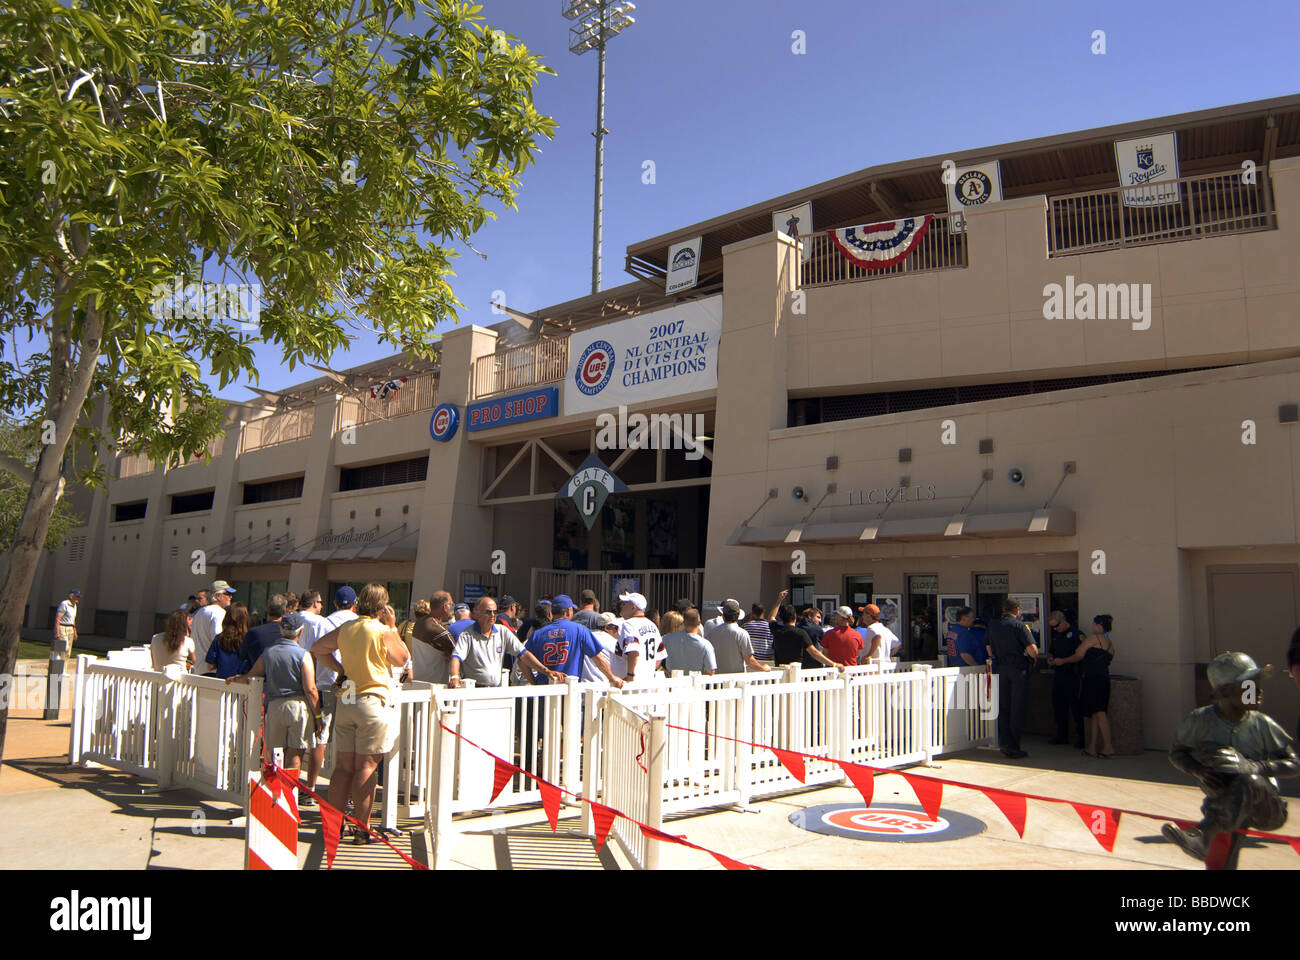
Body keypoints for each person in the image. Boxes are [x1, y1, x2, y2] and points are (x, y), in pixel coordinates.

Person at [1162, 651, 1300, 869]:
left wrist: (1254, 767)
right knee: (1222, 863)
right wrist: (1199, 770)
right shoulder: (1200, 720)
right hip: (1224, 806)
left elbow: (1294, 764)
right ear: (1226, 691)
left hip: (1265, 808)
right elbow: (1177, 754)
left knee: (1249, 781)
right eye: (1250, 686)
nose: (1259, 691)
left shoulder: (1260, 723)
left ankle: (1202, 837)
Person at [308, 583, 410, 842]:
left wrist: (340, 670)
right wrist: (391, 627)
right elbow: (401, 659)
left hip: (348, 699)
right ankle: (362, 830)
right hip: (372, 699)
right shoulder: (382, 630)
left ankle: (336, 823)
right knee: (366, 766)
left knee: (343, 767)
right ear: (383, 606)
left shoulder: (347, 627)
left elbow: (318, 648)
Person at [227, 612, 321, 801]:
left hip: (275, 705)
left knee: (274, 754)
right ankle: (289, 797)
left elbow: (252, 675)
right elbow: (310, 689)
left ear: (281, 630)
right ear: (300, 632)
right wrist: (318, 717)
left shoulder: (268, 652)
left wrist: (237, 679)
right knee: (295, 754)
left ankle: (273, 796)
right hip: (299, 706)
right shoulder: (303, 654)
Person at [1051, 614, 1116, 758]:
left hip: (1093, 679)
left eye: (1094, 624)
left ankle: (1108, 747)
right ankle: (1091, 747)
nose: (1092, 626)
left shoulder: (1093, 639)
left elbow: (1078, 654)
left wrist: (1063, 661)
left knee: (1099, 713)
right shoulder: (1110, 644)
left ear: (1099, 625)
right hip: (1104, 678)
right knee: (1094, 713)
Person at [449, 597, 546, 688]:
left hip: (496, 689)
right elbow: (456, 657)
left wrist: (546, 671)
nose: (492, 615)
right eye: (488, 612)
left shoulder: (502, 631)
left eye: (495, 612)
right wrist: (454, 677)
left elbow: (524, 654)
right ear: (476, 613)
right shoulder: (467, 634)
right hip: (475, 690)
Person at [522, 598, 622, 685]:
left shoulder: (538, 634)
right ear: (569, 611)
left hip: (544, 692)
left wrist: (534, 682)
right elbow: (599, 659)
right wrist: (612, 678)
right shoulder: (580, 630)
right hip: (570, 691)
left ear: (552, 613)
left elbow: (521, 661)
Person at [986, 597, 1038, 759]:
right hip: (1017, 670)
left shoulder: (993, 625)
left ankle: (1005, 743)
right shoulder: (1020, 626)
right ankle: (1014, 747)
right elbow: (1033, 651)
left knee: (1003, 708)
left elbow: (988, 648)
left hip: (1000, 668)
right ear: (1017, 610)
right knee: (1017, 708)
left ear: (1004, 609)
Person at [1044, 610, 1085, 747]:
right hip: (1059, 675)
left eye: (1056, 626)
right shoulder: (1057, 636)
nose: (1055, 629)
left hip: (1072, 675)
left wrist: (1064, 661)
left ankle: (1081, 737)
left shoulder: (1076, 634)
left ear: (1063, 620)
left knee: (1075, 707)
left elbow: (1080, 655)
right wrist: (1051, 658)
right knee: (1059, 706)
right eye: (1053, 627)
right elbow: (1051, 651)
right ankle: (1061, 735)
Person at [706, 599, 772, 674]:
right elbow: (750, 661)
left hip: (716, 681)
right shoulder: (742, 633)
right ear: (738, 616)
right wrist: (763, 668)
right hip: (736, 680)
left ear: (723, 616)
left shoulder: (713, 632)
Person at [771, 604, 843, 671]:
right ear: (795, 616)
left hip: (780, 671)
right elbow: (814, 652)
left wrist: (779, 600)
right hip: (796, 671)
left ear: (781, 618)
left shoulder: (776, 629)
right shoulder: (800, 633)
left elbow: (771, 617)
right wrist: (833, 664)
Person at [614, 592, 667, 682]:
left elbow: (633, 650)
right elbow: (660, 655)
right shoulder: (652, 625)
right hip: (648, 681)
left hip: (631, 683)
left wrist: (630, 676)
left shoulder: (629, 624)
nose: (621, 606)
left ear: (633, 607)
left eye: (624, 604)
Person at [410, 590, 455, 684]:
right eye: (451, 605)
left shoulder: (418, 624)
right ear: (445, 607)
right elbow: (456, 655)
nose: (452, 608)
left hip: (417, 683)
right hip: (436, 686)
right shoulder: (440, 631)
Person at [190, 580, 235, 674]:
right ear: (218, 596)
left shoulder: (200, 612)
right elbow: (219, 640)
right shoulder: (219, 613)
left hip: (198, 669)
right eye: (227, 594)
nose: (230, 597)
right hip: (212, 671)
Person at [238, 594, 288, 674]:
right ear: (284, 611)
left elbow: (241, 656)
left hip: (256, 679)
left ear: (266, 609)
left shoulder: (253, 632)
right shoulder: (289, 635)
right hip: (280, 681)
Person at [662, 608, 717, 675]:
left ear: (683, 623)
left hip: (673, 682)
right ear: (699, 623)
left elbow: (656, 657)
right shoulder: (705, 645)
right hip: (695, 683)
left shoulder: (667, 639)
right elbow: (711, 671)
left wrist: (664, 670)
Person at [204, 601, 249, 678]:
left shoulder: (219, 638)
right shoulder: (249, 640)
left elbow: (210, 666)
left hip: (222, 683)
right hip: (242, 683)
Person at [581, 612, 622, 684]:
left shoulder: (586, 635)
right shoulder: (611, 641)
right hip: (601, 684)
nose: (618, 631)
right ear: (607, 628)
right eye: (616, 628)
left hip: (580, 683)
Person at [54, 588, 79, 656]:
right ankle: (60, 665)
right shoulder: (64, 604)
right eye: (77, 596)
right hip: (63, 627)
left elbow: (73, 620)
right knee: (64, 648)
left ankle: (65, 665)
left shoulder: (75, 606)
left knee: (68, 651)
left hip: (70, 628)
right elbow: (58, 619)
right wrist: (57, 632)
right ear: (71, 596)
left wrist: (75, 632)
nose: (78, 598)